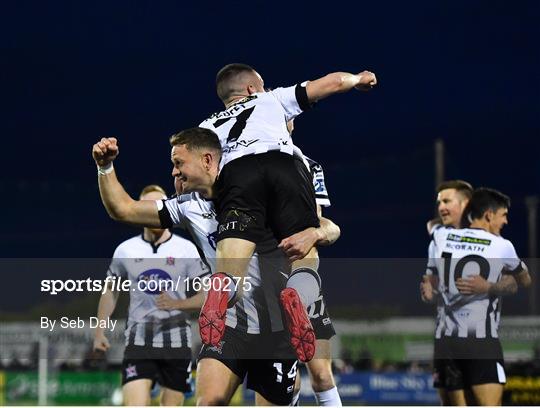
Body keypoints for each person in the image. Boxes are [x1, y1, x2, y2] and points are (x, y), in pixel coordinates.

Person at [92, 131, 341, 405]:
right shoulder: (187, 207)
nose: (174, 172)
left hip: (277, 325)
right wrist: (105, 167)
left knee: (314, 380)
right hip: (228, 322)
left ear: (207, 160)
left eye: (179, 164)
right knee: (209, 400)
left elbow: (324, 226)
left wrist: (314, 235)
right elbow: (123, 209)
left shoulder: (261, 190)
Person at [197, 63, 377, 361]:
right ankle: (298, 294)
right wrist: (358, 79)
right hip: (282, 164)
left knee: (230, 264)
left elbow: (198, 165)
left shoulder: (206, 127)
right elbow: (330, 82)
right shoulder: (272, 99)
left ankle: (223, 285)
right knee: (306, 252)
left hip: (236, 174)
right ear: (253, 88)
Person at [93, 184, 210, 406]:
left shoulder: (186, 249)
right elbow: (110, 291)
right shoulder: (126, 250)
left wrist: (179, 303)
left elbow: (208, 294)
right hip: (138, 342)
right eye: (148, 205)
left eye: (158, 205)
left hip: (177, 342)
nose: (153, 210)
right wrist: (99, 331)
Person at [421, 187, 531, 406]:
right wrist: (489, 286)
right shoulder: (502, 245)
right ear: (489, 215)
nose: (505, 222)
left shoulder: (443, 236)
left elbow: (432, 226)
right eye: (503, 215)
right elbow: (525, 280)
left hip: (446, 342)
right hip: (481, 342)